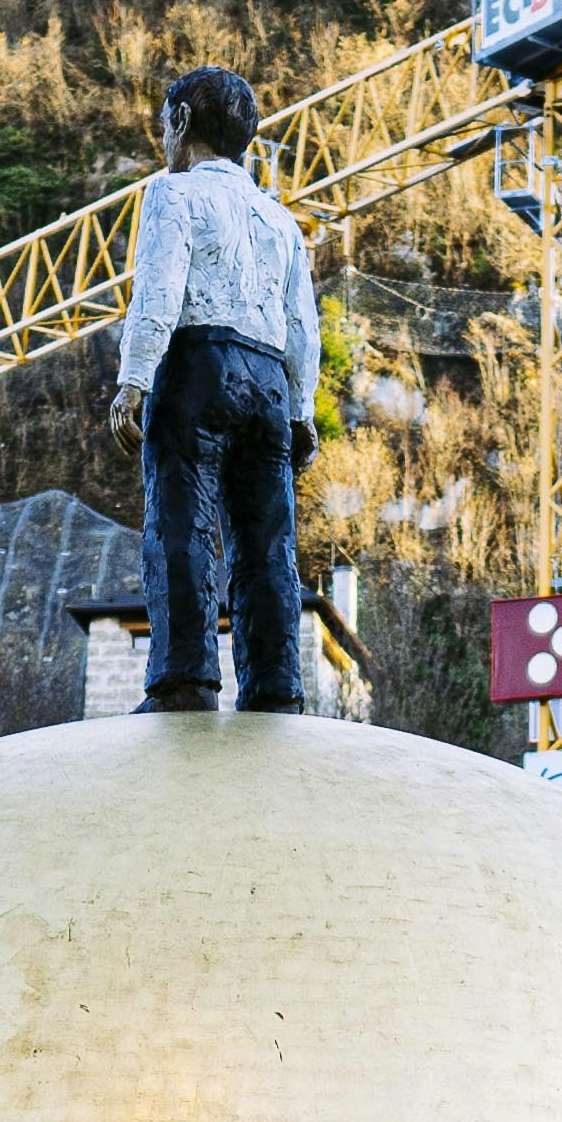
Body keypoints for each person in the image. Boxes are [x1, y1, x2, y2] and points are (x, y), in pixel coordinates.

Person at [113, 68, 321, 713]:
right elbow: (301, 325)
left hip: (197, 365)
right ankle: (276, 684)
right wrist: (303, 409)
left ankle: (185, 678)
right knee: (268, 542)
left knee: (184, 522)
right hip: (269, 383)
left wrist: (133, 381)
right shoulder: (280, 220)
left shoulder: (174, 196)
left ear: (179, 120)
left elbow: (158, 292)